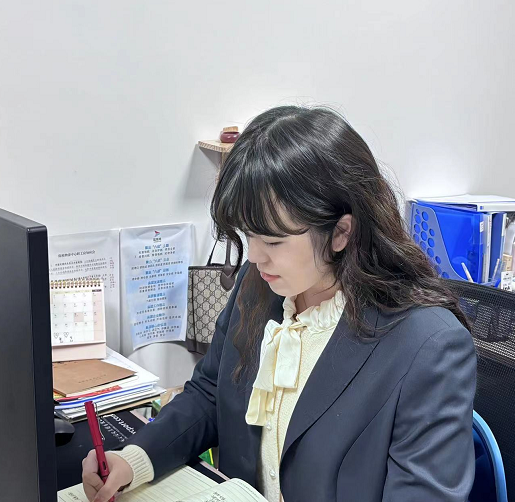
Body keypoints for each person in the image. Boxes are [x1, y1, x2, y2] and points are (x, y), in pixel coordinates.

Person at [81, 106, 477, 502]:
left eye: (273, 241)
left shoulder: (428, 346)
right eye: (248, 235)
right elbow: (210, 394)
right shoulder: (260, 286)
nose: (255, 256)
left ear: (341, 232)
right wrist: (135, 459)